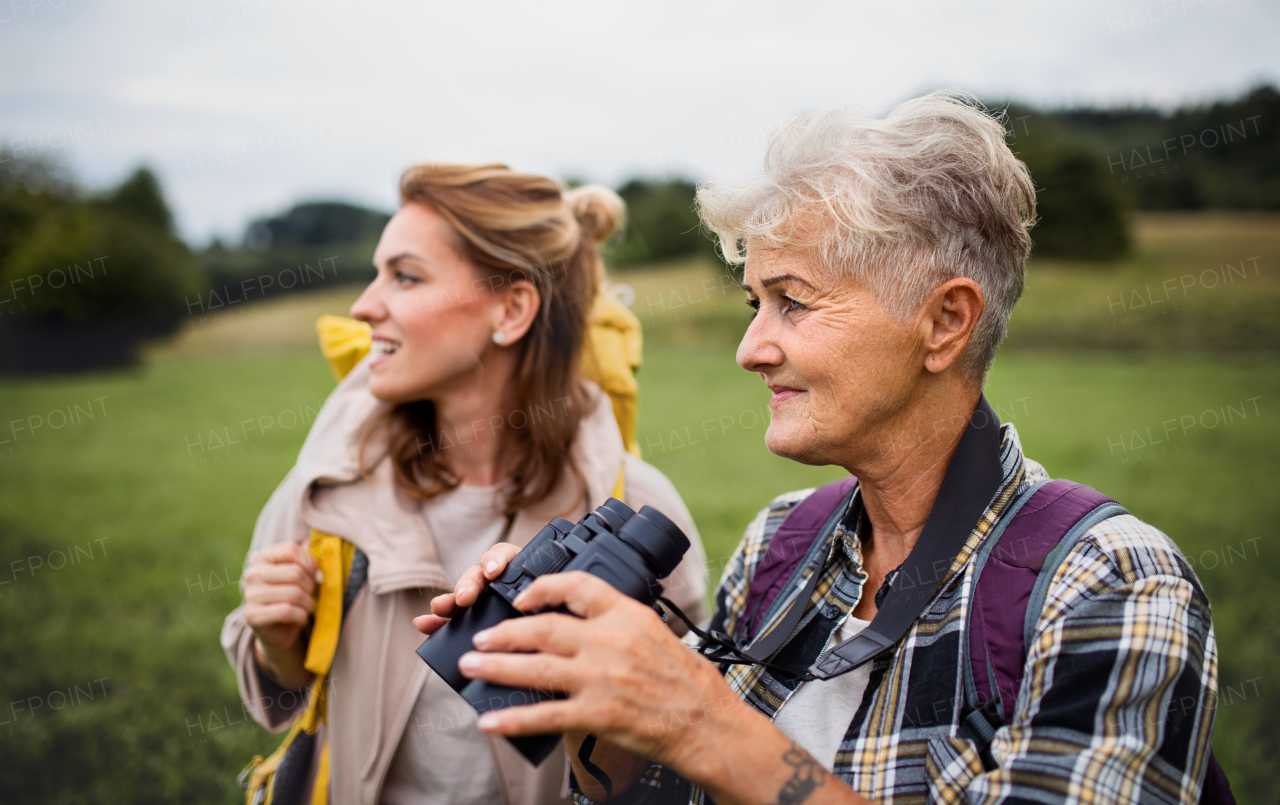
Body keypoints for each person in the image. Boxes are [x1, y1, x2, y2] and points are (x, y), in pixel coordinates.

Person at [417, 94, 1219, 804]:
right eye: (753, 302)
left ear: (945, 322)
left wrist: (705, 720)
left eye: (792, 302)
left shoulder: (1107, 583)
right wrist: (605, 692)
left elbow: (724, 751)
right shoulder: (782, 542)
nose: (750, 348)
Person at [221, 163, 709, 805]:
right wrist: (277, 646)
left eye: (404, 275)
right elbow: (280, 690)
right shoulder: (328, 486)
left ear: (510, 308)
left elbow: (677, 757)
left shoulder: (636, 512)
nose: (364, 307)